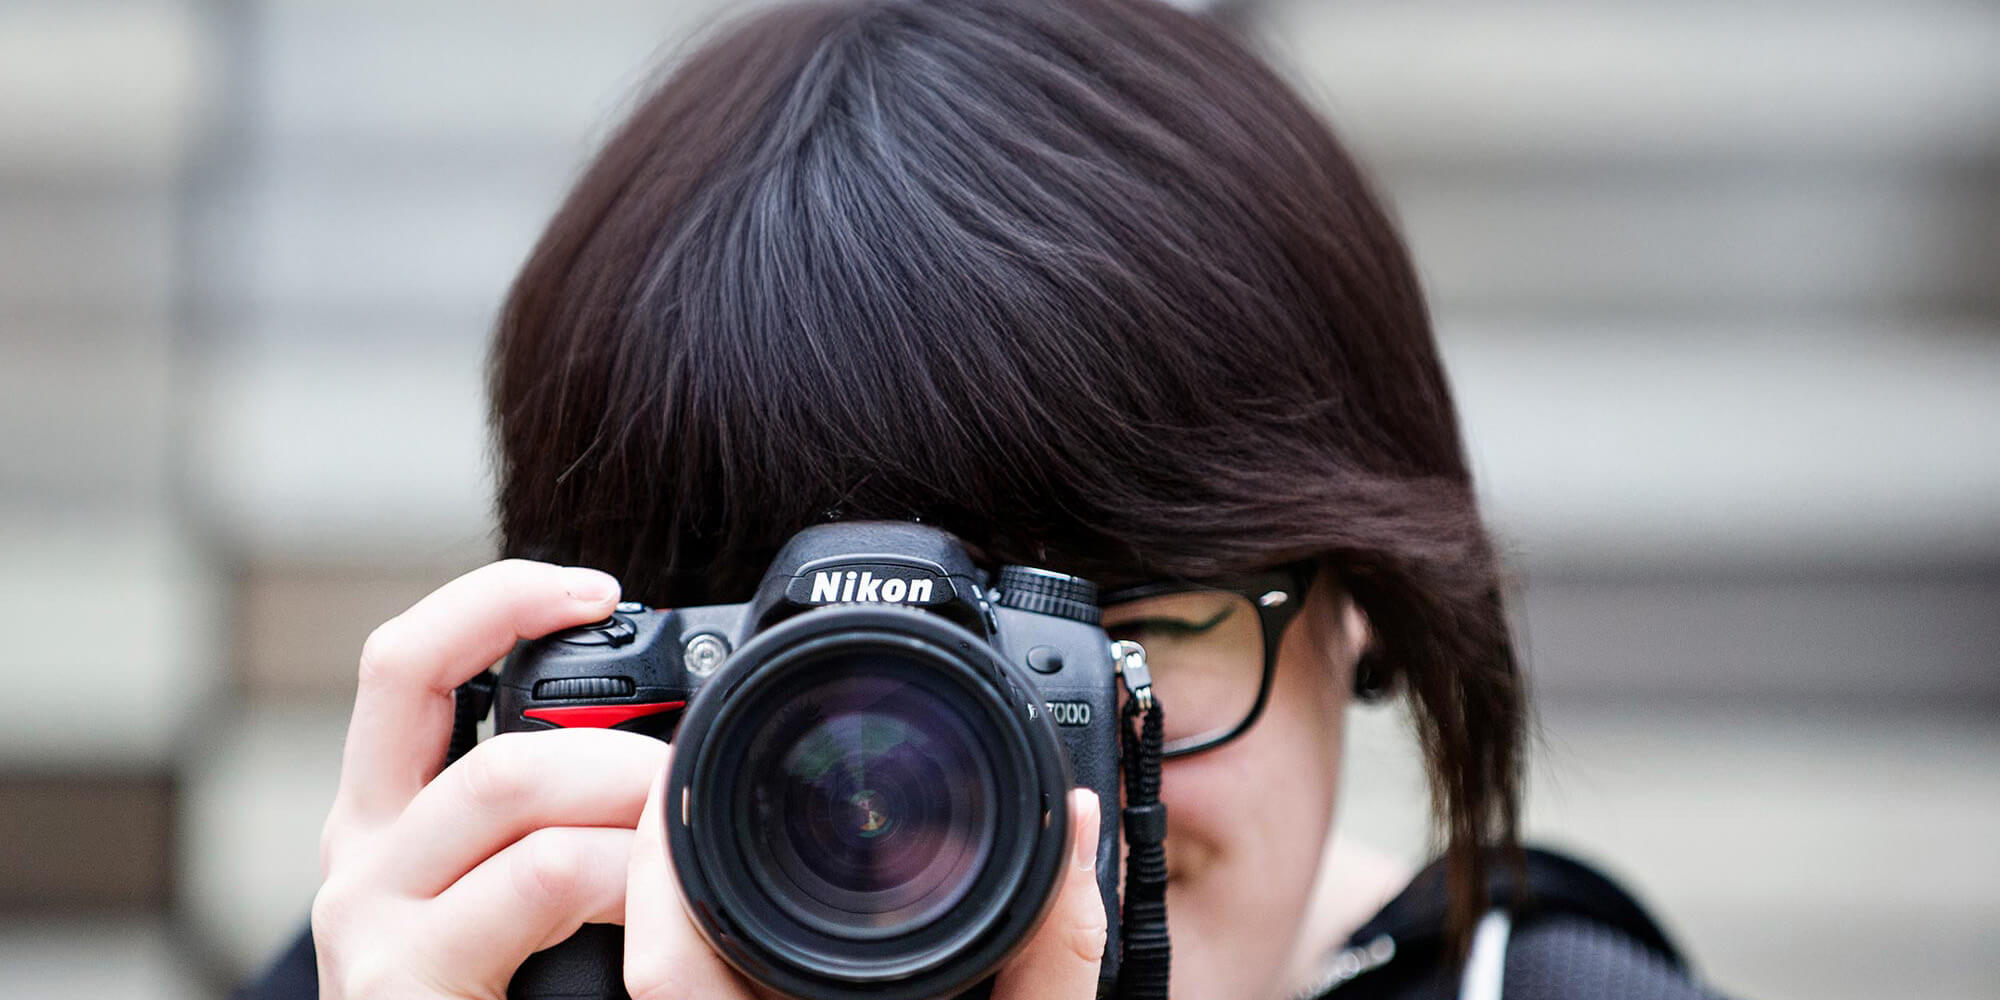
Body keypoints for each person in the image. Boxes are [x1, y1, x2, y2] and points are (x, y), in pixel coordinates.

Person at [237, 0, 1732, 998]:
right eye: (797, 675)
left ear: (1365, 615)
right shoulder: (426, 970)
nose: (970, 803)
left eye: (1122, 642)